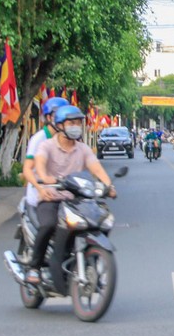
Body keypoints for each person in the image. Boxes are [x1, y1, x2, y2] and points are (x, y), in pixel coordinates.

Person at [27, 105, 116, 288]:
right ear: (60, 125)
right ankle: (34, 267)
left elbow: (96, 167)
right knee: (49, 225)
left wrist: (109, 185)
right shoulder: (47, 145)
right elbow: (40, 163)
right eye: (71, 123)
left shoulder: (82, 149)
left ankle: (83, 258)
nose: (76, 126)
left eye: (78, 123)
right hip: (51, 197)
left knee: (98, 221)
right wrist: (44, 178)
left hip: (75, 201)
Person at [21, 97, 69, 215]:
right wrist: (40, 188)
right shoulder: (39, 139)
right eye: (59, 116)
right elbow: (27, 170)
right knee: (47, 227)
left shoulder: (67, 139)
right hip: (40, 197)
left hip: (61, 197)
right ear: (48, 118)